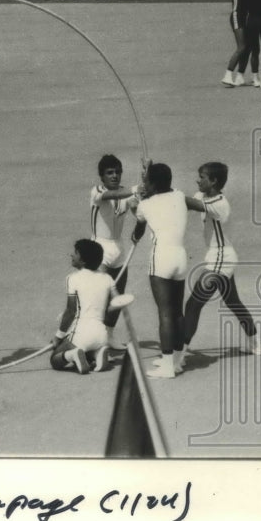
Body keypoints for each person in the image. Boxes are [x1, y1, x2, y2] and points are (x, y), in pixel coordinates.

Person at [182, 162, 261, 361]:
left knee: (193, 305)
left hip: (221, 259)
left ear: (213, 181)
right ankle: (256, 345)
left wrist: (164, 191)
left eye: (202, 177)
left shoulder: (219, 204)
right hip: (221, 257)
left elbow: (189, 203)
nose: (197, 180)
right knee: (233, 302)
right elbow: (184, 203)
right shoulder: (203, 195)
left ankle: (178, 355)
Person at [131, 162, 188, 379]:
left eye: (146, 180)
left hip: (161, 259)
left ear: (152, 183)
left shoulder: (145, 205)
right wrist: (150, 177)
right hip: (181, 258)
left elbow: (138, 231)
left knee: (164, 313)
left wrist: (137, 206)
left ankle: (166, 366)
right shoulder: (180, 196)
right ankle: (177, 360)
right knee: (177, 311)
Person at [50, 239, 135, 373]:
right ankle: (96, 355)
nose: (71, 255)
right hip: (102, 336)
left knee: (55, 359)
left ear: (83, 260)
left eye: (75, 253)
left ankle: (73, 355)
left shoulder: (72, 278)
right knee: (87, 347)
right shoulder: (107, 278)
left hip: (80, 335)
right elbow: (116, 302)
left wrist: (58, 337)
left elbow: (70, 312)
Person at [89, 154, 141, 349]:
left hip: (118, 249)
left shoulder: (126, 194)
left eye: (118, 172)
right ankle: (92, 338)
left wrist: (138, 208)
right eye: (109, 173)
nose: (114, 176)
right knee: (97, 296)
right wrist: (134, 190)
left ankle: (108, 336)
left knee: (118, 296)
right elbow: (111, 196)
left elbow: (138, 214)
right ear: (101, 176)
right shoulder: (96, 191)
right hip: (99, 249)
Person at [221, 0, 251, 87]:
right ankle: (227, 75)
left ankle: (240, 76)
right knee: (241, 47)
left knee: (247, 47)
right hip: (236, 16)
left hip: (244, 17)